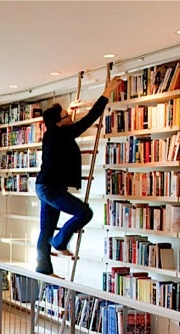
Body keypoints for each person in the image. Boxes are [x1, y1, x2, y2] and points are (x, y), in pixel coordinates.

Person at [35, 77, 124, 276]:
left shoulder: (53, 133)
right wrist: (107, 92)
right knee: (85, 213)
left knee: (46, 229)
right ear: (59, 123)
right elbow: (89, 119)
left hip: (44, 186)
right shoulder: (62, 134)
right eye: (67, 117)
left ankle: (43, 268)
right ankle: (59, 242)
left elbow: (74, 122)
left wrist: (72, 108)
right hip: (50, 188)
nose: (71, 118)